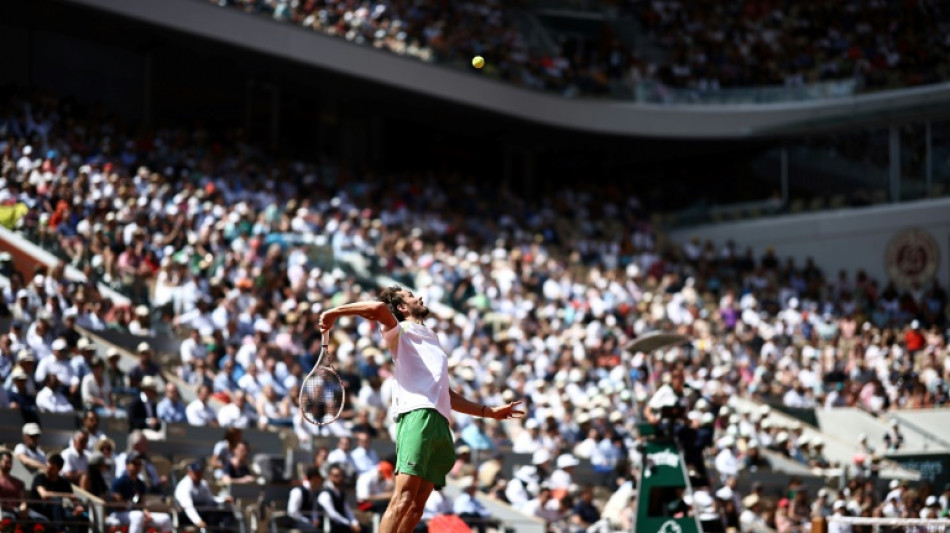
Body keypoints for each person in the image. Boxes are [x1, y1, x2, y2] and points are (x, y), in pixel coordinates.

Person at [319, 286, 524, 533]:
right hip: (417, 415)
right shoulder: (399, 331)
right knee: (402, 498)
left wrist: (489, 412)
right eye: (410, 296)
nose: (419, 297)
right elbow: (377, 308)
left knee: (417, 507)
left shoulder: (432, 338)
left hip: (440, 422)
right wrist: (335, 312)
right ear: (403, 308)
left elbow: (447, 395)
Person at [107, 451, 173, 533]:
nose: (137, 466)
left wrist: (146, 513)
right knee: (138, 516)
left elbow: (142, 504)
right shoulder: (119, 481)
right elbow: (118, 505)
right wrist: (134, 508)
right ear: (127, 465)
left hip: (135, 513)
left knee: (165, 518)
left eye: (139, 464)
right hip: (118, 514)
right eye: (134, 463)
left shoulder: (140, 483)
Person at [31, 454, 89, 532]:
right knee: (56, 500)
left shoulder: (64, 482)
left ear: (59, 469)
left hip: (58, 512)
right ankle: (59, 530)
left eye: (51, 469)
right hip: (40, 510)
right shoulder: (40, 478)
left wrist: (78, 508)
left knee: (81, 517)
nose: (48, 470)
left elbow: (73, 499)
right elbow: (44, 495)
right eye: (47, 467)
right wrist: (67, 495)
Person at [174, 461, 236, 531]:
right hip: (186, 515)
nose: (198, 474)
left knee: (225, 510)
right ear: (189, 473)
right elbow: (188, 507)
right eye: (196, 472)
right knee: (212, 509)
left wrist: (223, 500)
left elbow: (210, 499)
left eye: (199, 472)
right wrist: (198, 521)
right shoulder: (184, 486)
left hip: (201, 511)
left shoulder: (203, 484)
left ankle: (229, 531)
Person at [0, 450, 46, 522]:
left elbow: (23, 500)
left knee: (41, 520)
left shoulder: (19, 483)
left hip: (19, 510)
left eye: (10, 462)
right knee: (9, 518)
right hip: (4, 511)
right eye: (6, 462)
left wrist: (23, 507)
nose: (9, 465)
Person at [318, 465, 360, 533]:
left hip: (343, 525)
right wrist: (348, 523)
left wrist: (354, 523)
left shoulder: (341, 493)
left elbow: (347, 511)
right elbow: (332, 514)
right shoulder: (325, 493)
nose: (338, 478)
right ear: (330, 476)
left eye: (340, 475)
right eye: (335, 475)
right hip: (331, 526)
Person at [287, 467, 325, 532]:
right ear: (314, 478)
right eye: (319, 480)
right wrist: (307, 521)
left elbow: (313, 509)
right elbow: (292, 512)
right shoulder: (298, 491)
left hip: (308, 523)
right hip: (295, 523)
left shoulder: (314, 492)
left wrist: (315, 519)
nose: (320, 482)